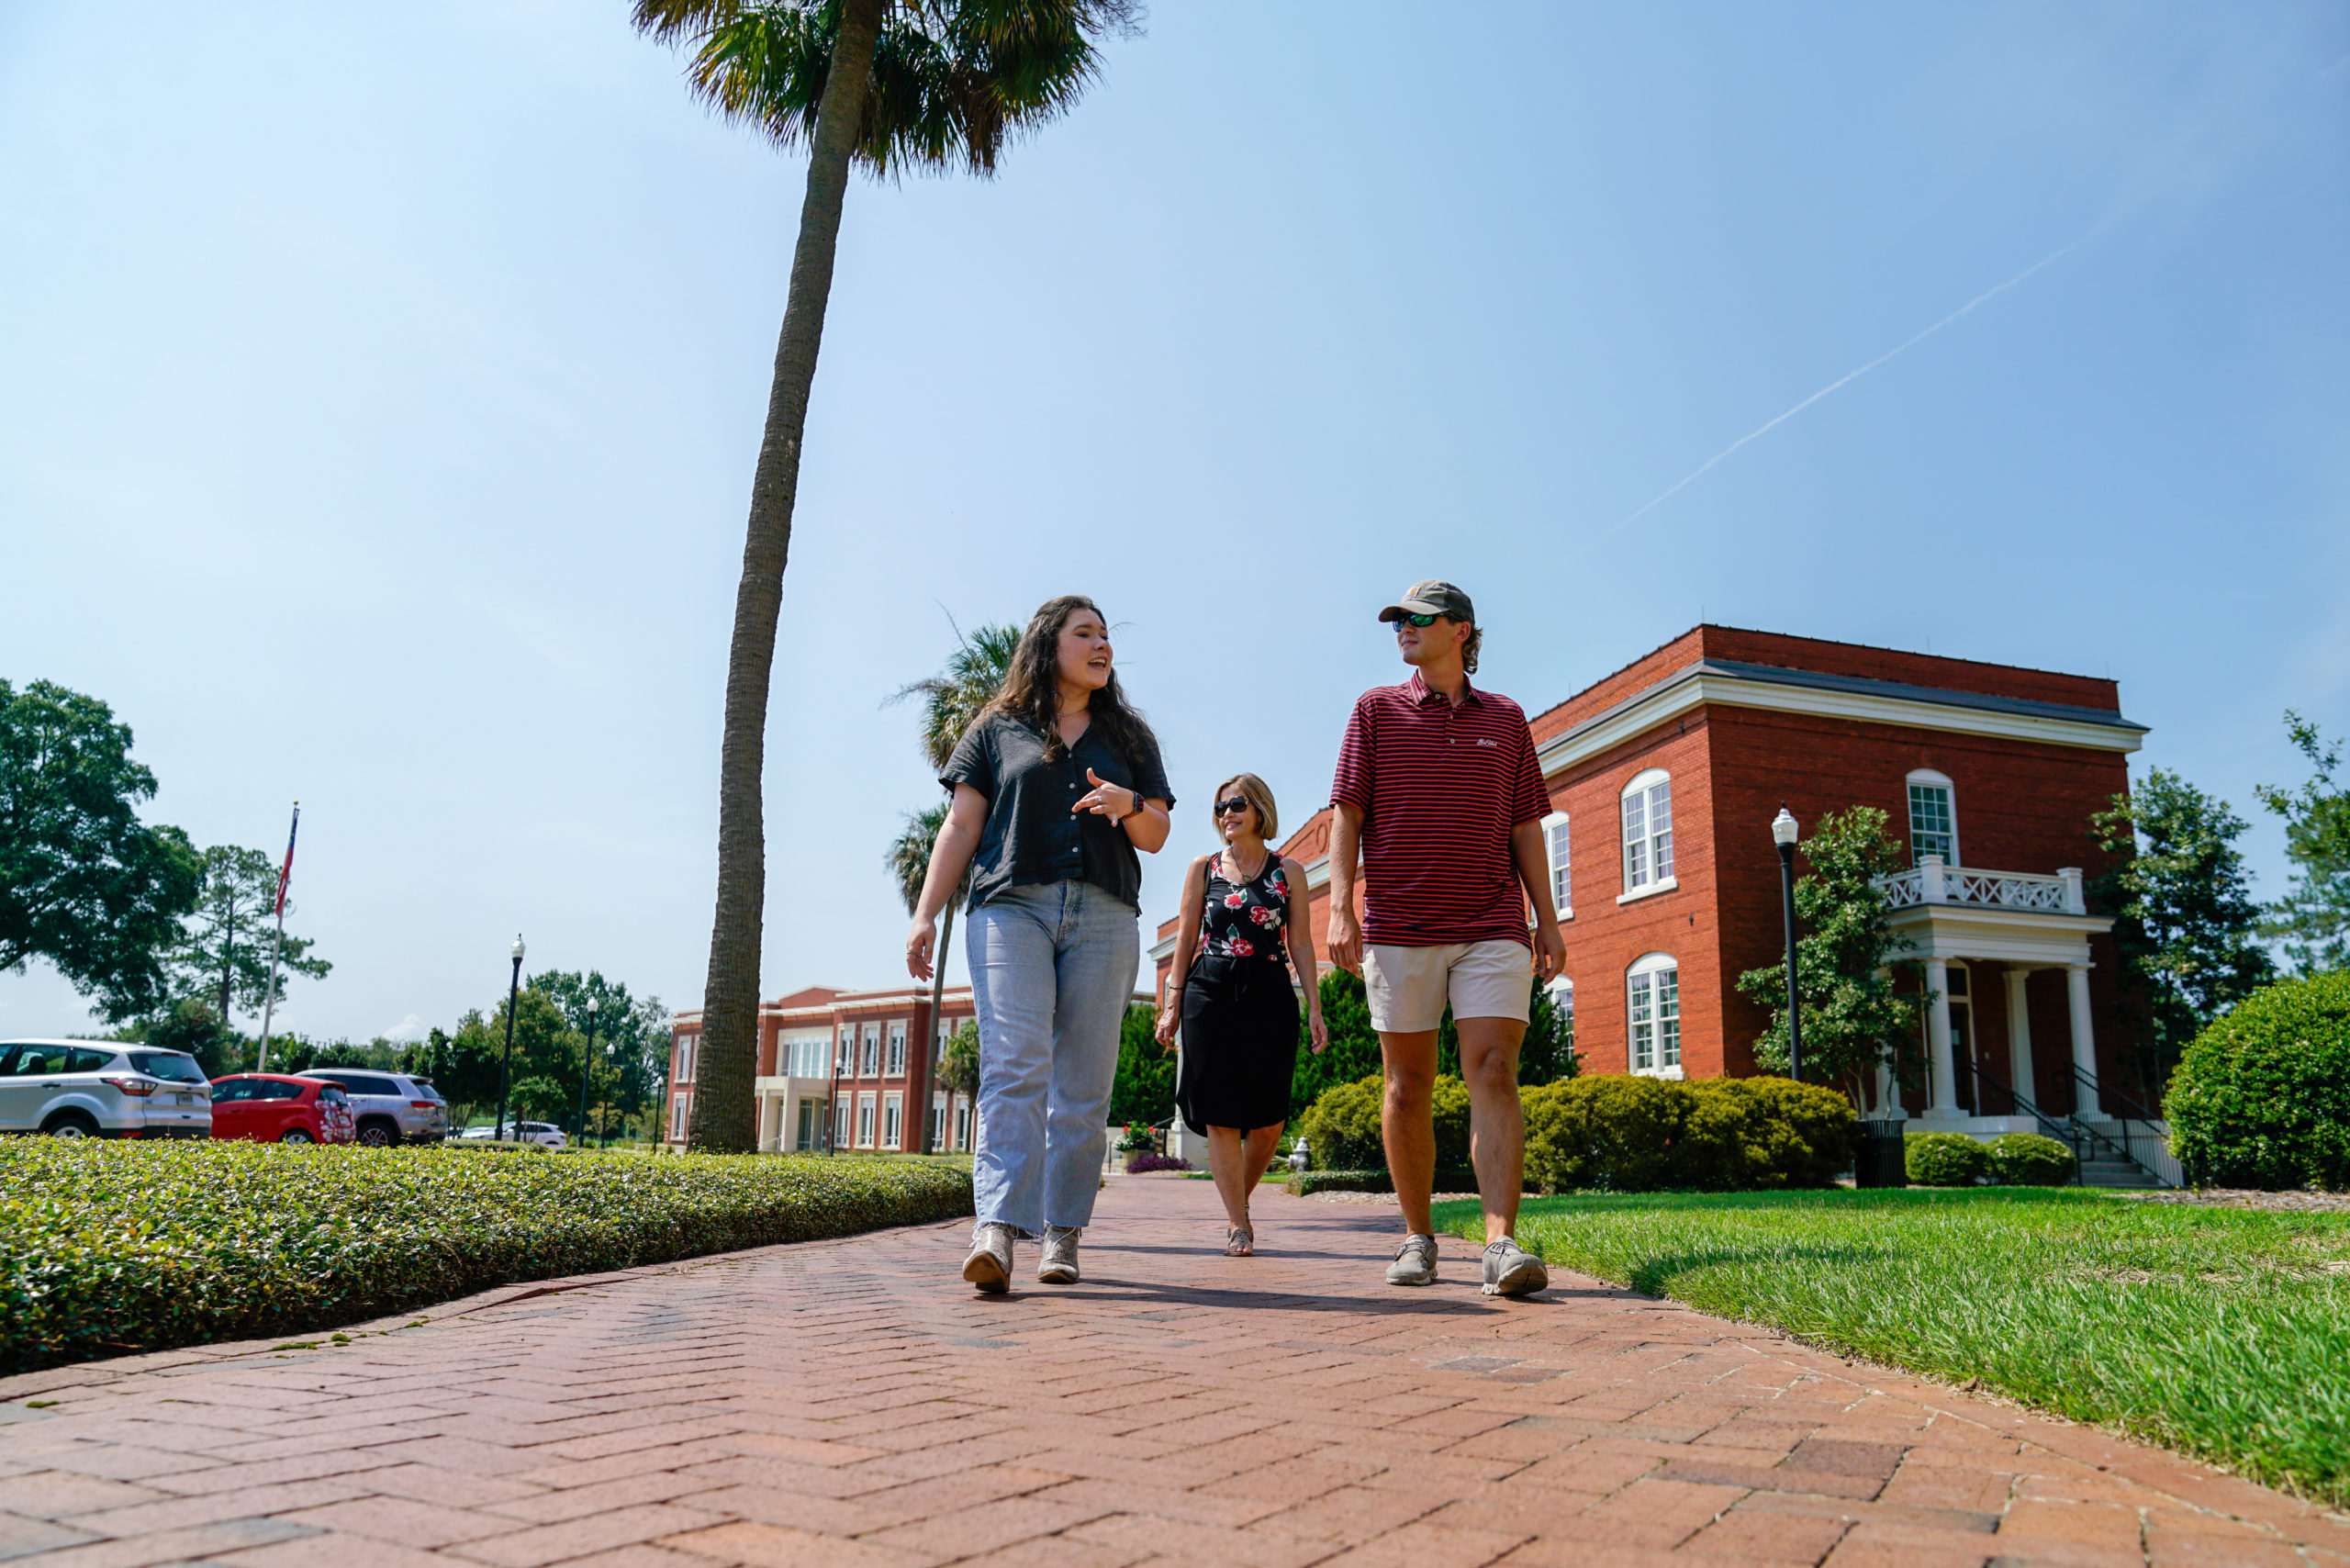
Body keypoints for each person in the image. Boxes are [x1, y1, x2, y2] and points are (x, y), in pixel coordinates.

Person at [906, 595, 1172, 1292]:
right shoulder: (998, 727)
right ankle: (995, 1228)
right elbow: (962, 826)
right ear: (1048, 645)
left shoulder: (1129, 735)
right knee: (1014, 1068)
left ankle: (1063, 1233)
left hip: (1105, 914)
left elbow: (1156, 833)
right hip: (1009, 909)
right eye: (1085, 633)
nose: (1102, 644)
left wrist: (1130, 805)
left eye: (1107, 635)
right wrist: (926, 913)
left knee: (1082, 1089)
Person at [1325, 580, 1566, 1297]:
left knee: (1492, 1069)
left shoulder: (1508, 719)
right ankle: (1417, 1238)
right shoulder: (1375, 710)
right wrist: (1341, 906)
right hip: (1402, 924)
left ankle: (1500, 1245)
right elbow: (1347, 815)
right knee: (1408, 1087)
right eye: (1397, 619)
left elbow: (1526, 825)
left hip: (1492, 919)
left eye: (1417, 619)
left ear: (1460, 630)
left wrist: (1546, 919)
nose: (1402, 628)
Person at [1155, 773, 1327, 1255]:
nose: (1225, 814)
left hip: (1270, 992)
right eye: (1219, 808)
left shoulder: (1288, 870)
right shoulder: (1203, 868)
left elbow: (1303, 944)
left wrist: (1315, 1005)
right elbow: (1184, 941)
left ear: (1259, 810)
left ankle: (1238, 1204)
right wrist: (1171, 1008)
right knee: (1222, 1116)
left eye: (1235, 805)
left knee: (1271, 1118)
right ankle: (1238, 1224)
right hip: (1209, 992)